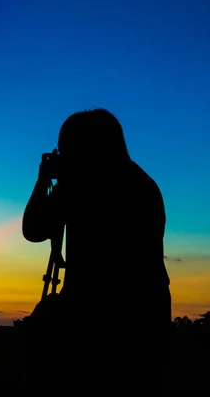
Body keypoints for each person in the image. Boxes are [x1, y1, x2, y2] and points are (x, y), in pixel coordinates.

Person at [21, 108, 171, 394]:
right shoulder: (145, 184)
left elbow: (33, 230)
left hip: (91, 323)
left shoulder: (83, 184)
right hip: (148, 318)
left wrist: (44, 180)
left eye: (67, 149)